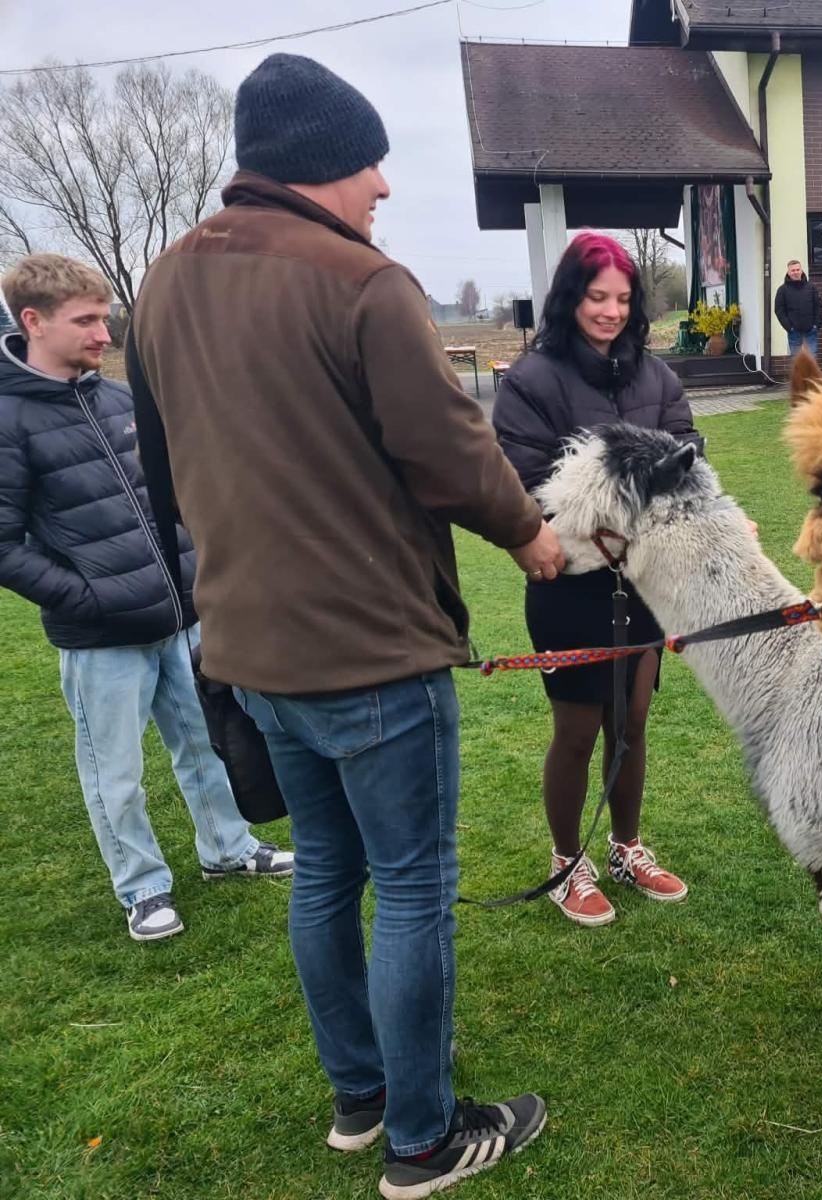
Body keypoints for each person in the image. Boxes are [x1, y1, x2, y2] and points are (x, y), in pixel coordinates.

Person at [132, 53, 556, 1195]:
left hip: (248, 654)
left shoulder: (163, 286)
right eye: (369, 161)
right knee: (412, 886)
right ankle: (422, 1140)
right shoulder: (363, 282)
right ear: (321, 162)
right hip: (371, 656)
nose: (379, 184)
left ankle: (360, 1098)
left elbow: (163, 476)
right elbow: (449, 450)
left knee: (326, 872)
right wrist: (531, 535)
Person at [0, 253, 292, 944]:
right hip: (102, 638)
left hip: (184, 619)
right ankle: (142, 888)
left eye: (105, 317)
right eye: (87, 321)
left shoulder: (119, 398)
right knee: (116, 772)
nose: (105, 334)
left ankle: (227, 849)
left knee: (209, 744)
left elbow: (173, 493)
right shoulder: (8, 419)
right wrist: (89, 598)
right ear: (33, 321)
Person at [494, 233, 701, 929]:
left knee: (632, 726)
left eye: (621, 299)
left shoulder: (656, 377)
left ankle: (626, 847)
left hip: (641, 582)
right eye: (595, 297)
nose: (610, 311)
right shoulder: (531, 380)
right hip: (570, 586)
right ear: (570, 298)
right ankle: (565, 861)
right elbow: (527, 490)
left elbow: (685, 462)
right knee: (578, 730)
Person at [774, 259, 822, 357]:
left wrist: (816, 325)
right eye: (793, 270)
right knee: (796, 362)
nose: (795, 272)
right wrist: (789, 327)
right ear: (788, 272)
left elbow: (818, 307)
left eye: (797, 270)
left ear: (801, 271)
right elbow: (779, 310)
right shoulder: (782, 290)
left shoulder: (812, 287)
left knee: (812, 361)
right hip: (794, 332)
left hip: (811, 331)